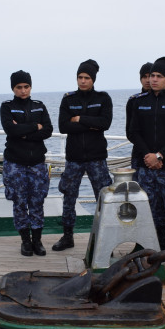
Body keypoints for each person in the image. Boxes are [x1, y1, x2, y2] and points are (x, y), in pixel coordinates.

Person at [129, 57, 165, 271]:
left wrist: (160, 155)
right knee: (150, 211)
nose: (153, 79)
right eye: (152, 75)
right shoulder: (139, 102)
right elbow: (133, 132)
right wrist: (149, 155)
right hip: (146, 166)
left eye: (159, 76)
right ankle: (155, 249)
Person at [54, 59, 113, 251]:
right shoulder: (68, 99)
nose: (83, 80)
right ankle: (67, 236)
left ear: (93, 79)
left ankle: (106, 238)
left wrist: (80, 119)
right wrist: (92, 124)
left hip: (97, 158)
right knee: (69, 198)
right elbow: (63, 126)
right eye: (80, 77)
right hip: (74, 158)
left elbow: (105, 123)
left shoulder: (103, 98)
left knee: (103, 198)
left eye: (87, 77)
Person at [0, 70, 53, 256]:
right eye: (19, 87)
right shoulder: (7, 107)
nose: (23, 90)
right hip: (15, 163)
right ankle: (25, 241)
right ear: (13, 88)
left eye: (26, 86)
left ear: (30, 87)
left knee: (37, 202)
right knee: (20, 202)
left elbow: (48, 130)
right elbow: (10, 130)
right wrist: (34, 127)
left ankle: (37, 241)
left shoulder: (39, 106)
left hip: (37, 163)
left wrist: (23, 133)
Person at [125, 62, 153, 180]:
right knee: (138, 188)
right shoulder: (133, 101)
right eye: (144, 77)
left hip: (161, 156)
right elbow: (130, 132)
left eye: (150, 76)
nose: (147, 80)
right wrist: (146, 152)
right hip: (139, 155)